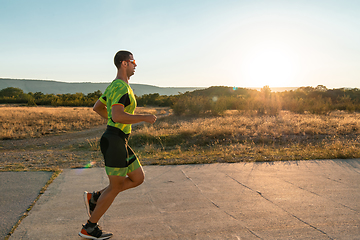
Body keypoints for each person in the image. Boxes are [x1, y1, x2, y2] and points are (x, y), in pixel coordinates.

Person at [79, 50, 157, 239]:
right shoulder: (121, 88)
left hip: (119, 139)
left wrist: (115, 121)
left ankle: (96, 197)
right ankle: (89, 228)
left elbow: (97, 107)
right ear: (124, 63)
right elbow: (117, 115)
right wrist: (144, 117)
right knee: (115, 187)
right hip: (114, 140)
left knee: (137, 177)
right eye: (133, 61)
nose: (135, 65)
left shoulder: (115, 86)